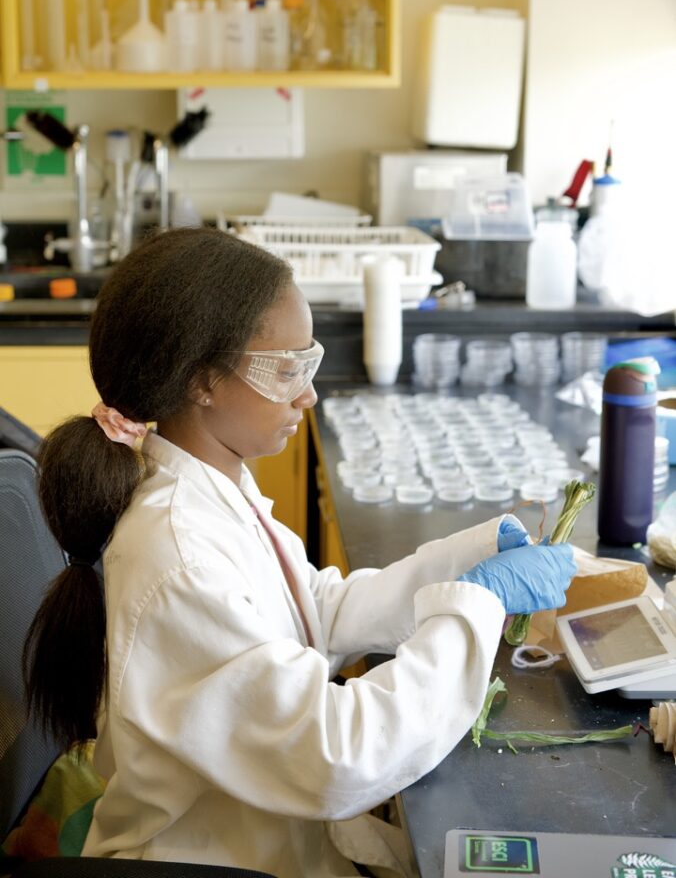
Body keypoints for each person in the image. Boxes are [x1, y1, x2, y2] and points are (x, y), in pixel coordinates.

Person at [24, 227, 576, 878]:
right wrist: (479, 607)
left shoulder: (208, 481)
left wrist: (471, 560)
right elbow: (341, 754)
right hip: (214, 861)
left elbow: (314, 610)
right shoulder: (178, 554)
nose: (308, 394)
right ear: (202, 382)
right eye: (287, 371)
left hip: (267, 836)